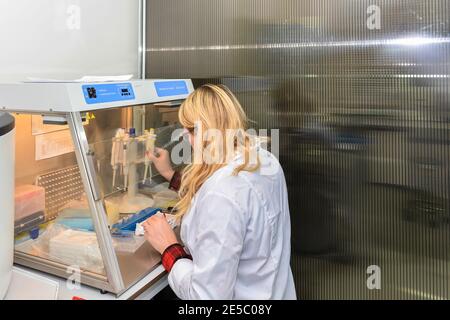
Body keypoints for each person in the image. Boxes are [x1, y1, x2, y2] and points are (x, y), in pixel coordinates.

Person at [143, 84, 296, 300]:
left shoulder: (223, 192)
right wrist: (169, 173)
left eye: (191, 130)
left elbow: (206, 297)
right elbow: (229, 199)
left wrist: (169, 247)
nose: (186, 137)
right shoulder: (264, 160)